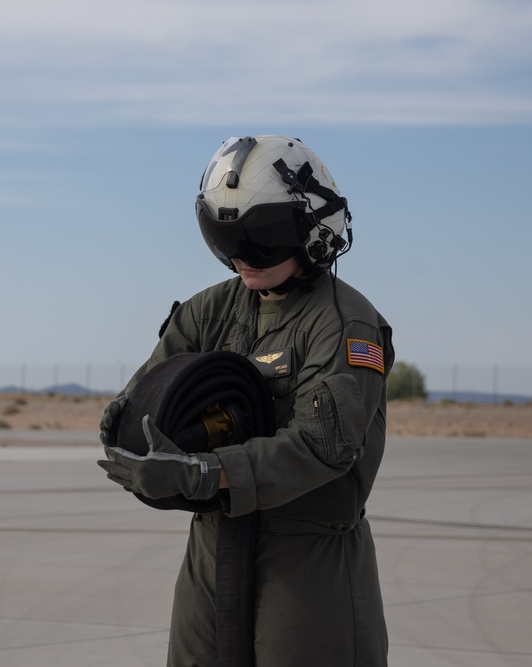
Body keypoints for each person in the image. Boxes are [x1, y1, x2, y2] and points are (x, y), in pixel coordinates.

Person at [98, 135, 393, 666]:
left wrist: (207, 475)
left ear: (314, 232)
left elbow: (323, 446)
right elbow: (149, 399)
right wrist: (125, 427)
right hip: (212, 554)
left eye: (260, 240)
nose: (239, 258)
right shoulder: (206, 312)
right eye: (223, 238)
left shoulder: (346, 323)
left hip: (307, 564)